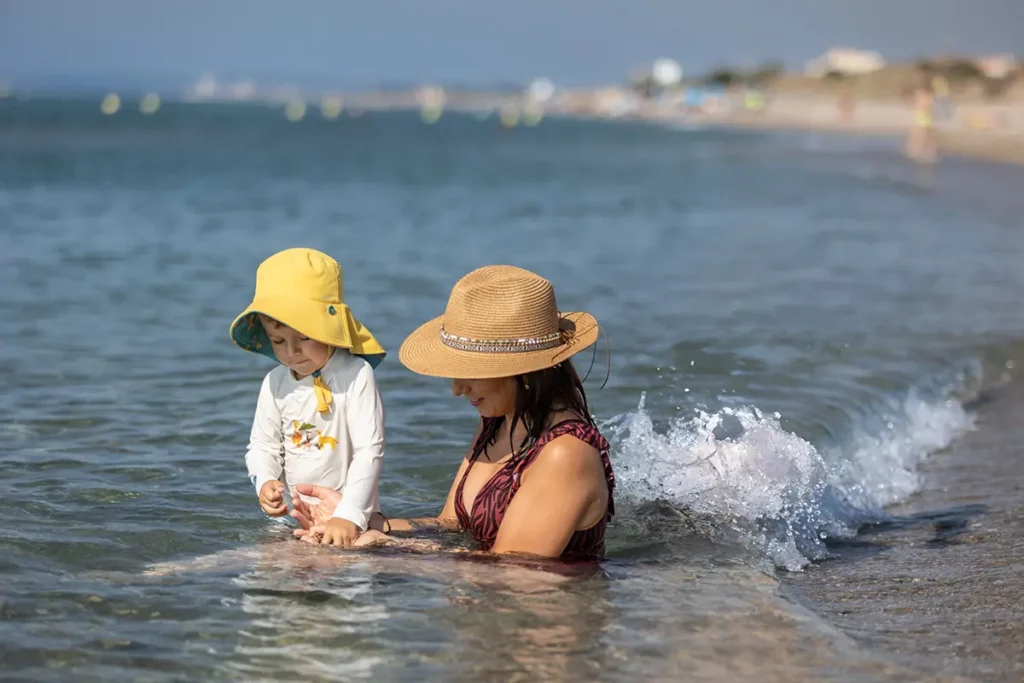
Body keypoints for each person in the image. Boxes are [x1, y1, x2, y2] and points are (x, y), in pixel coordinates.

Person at [291, 265, 616, 560]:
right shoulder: (497, 421)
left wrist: (386, 548)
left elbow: (515, 571)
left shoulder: (565, 454)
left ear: (525, 371)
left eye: (469, 371)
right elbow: (451, 525)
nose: (456, 389)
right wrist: (356, 519)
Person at [230, 247, 387, 548]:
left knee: (347, 586)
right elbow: (262, 446)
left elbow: (370, 450)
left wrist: (349, 516)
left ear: (329, 328)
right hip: (291, 519)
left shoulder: (356, 374)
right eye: (278, 340)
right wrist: (264, 482)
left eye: (304, 337)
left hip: (349, 518)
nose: (291, 352)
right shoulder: (275, 382)